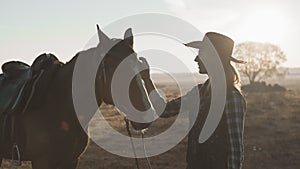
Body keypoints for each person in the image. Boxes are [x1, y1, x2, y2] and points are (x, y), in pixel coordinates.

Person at [139, 32, 247, 169]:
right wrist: (146, 79)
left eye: (201, 53)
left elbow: (235, 148)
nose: (196, 59)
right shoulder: (199, 92)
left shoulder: (232, 98)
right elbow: (164, 110)